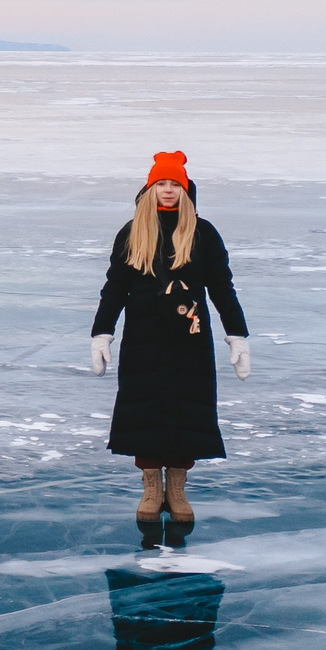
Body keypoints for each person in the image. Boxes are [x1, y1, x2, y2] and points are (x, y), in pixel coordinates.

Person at [89, 151, 250, 523]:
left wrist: (237, 334)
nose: (167, 191)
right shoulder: (132, 232)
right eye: (161, 184)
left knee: (185, 405)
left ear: (185, 188)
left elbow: (222, 288)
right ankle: (151, 486)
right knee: (144, 406)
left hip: (189, 335)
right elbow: (114, 288)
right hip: (144, 334)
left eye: (174, 184)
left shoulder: (203, 233)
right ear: (150, 188)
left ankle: (176, 486)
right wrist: (102, 332)